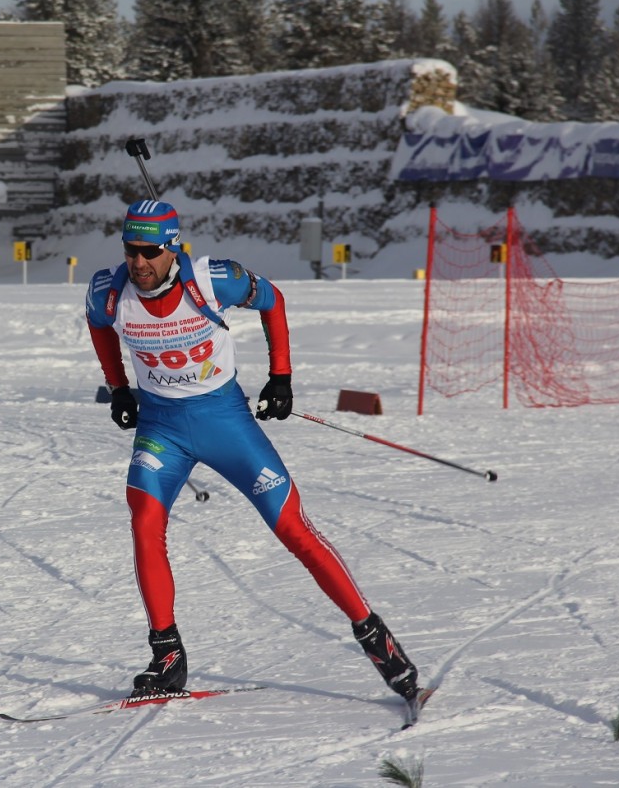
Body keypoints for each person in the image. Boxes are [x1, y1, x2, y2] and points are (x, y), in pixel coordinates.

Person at [85, 199, 420, 707]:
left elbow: (273, 300)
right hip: (161, 429)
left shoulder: (213, 280)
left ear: (172, 247)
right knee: (144, 520)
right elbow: (98, 327)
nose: (137, 262)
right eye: (130, 250)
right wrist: (119, 388)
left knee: (293, 528)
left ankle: (378, 641)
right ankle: (167, 656)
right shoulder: (108, 291)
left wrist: (281, 377)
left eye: (149, 251)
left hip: (225, 424)